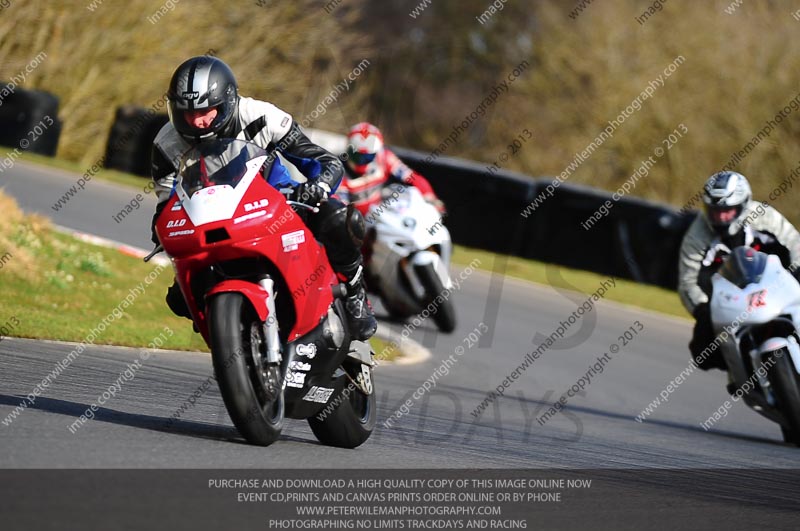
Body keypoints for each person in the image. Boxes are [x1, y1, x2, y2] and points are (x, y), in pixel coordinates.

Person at [150, 56, 377, 340]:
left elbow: (322, 161)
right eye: (187, 113)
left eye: (207, 111)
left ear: (228, 102)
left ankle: (355, 291)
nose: (197, 121)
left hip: (274, 201)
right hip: (209, 216)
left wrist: (318, 186)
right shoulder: (165, 143)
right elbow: (165, 205)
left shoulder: (261, 116)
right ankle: (228, 330)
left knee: (339, 219)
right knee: (180, 298)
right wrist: (162, 231)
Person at [678, 171, 800, 370]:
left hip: (776, 284)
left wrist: (796, 273)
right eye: (715, 211)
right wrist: (703, 309)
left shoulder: (764, 216)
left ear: (744, 205)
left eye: (728, 210)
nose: (721, 217)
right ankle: (740, 373)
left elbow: (795, 244)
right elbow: (687, 282)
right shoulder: (697, 236)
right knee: (702, 352)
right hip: (732, 297)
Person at [336, 122, 444, 215]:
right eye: (357, 155)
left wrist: (431, 198)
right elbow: (341, 209)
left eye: (368, 156)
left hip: (383, 214)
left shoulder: (384, 157)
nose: (362, 161)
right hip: (357, 224)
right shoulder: (338, 172)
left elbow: (412, 177)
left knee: (402, 192)